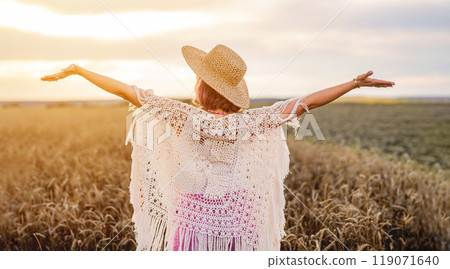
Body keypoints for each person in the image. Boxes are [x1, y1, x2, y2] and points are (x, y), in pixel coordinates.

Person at [41, 44, 395, 251]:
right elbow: (306, 103)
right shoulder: (250, 121)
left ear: (203, 86)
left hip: (190, 213)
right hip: (237, 214)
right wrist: (352, 83)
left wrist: (79, 70)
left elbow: (128, 92)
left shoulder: (181, 115)